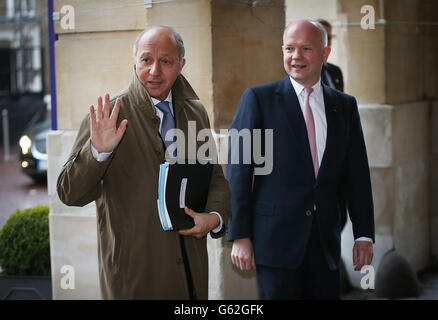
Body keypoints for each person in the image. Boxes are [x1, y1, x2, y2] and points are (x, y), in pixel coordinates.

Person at [57, 26, 231, 299]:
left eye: (166, 61)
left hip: (191, 274)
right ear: (135, 61)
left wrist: (215, 217)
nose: (154, 71)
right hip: (134, 276)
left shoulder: (196, 112)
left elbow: (214, 177)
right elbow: (69, 193)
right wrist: (97, 152)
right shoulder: (109, 116)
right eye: (146, 60)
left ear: (181, 65)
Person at [226, 19, 374, 299]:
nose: (296, 57)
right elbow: (238, 171)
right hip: (274, 243)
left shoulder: (344, 106)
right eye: (289, 48)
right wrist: (240, 235)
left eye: (306, 48)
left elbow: (356, 175)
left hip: (326, 243)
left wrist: (363, 234)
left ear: (325, 53)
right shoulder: (258, 99)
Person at [317, 19, 344, 92]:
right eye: (322, 36)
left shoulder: (336, 71)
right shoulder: (301, 72)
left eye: (329, 38)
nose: (326, 42)